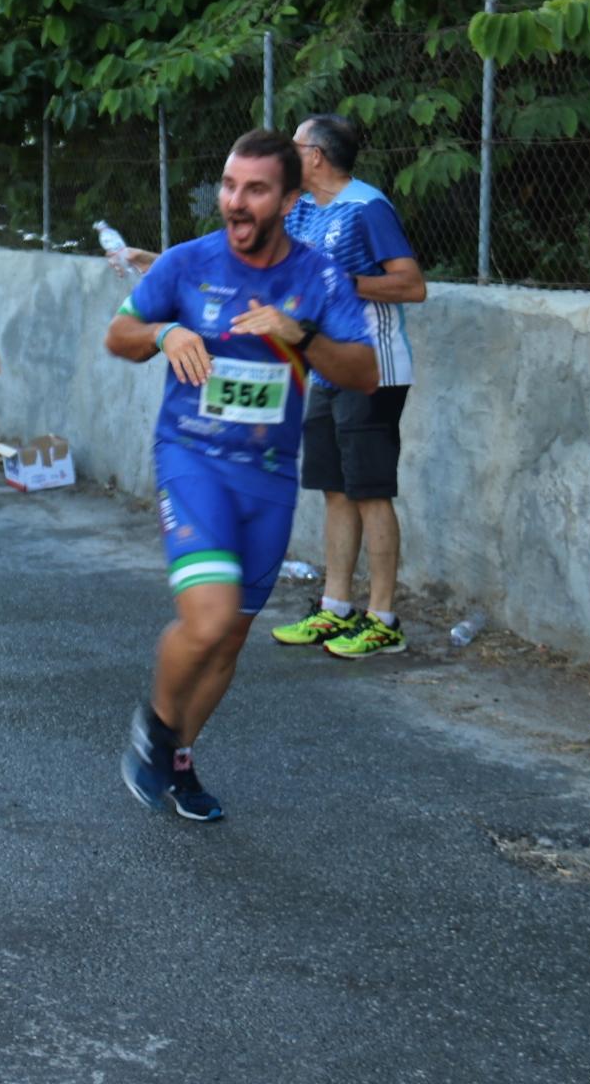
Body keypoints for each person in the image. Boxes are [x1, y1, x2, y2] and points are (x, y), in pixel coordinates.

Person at [105, 129, 376, 823]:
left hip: (270, 475)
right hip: (192, 459)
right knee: (210, 616)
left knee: (230, 637)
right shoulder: (187, 263)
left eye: (255, 189)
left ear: (288, 201)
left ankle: (179, 757)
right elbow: (119, 335)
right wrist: (165, 333)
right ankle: (155, 728)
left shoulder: (319, 278)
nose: (236, 201)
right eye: (229, 185)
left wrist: (300, 335)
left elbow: (364, 374)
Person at [270, 114, 428, 658]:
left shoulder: (367, 207)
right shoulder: (303, 210)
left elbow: (412, 285)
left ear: (315, 155)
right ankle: (335, 608)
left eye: (293, 145)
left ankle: (383, 621)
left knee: (370, 493)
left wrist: (344, 282)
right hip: (326, 368)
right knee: (334, 490)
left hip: (372, 368)